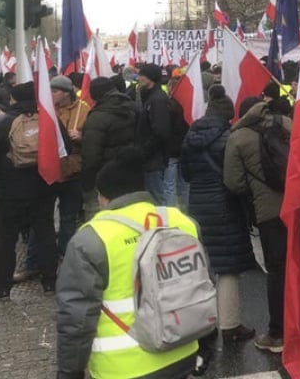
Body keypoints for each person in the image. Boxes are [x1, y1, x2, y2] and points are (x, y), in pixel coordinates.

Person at [55, 147, 205, 379]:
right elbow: (200, 284)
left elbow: (77, 317)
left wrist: (69, 371)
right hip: (183, 351)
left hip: (124, 367)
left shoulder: (92, 238)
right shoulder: (182, 222)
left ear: (104, 198)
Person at [180, 85, 256, 343]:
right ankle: (230, 324)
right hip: (225, 205)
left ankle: (203, 323)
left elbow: (185, 175)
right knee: (228, 268)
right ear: (228, 115)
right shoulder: (229, 138)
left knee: (204, 266)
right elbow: (235, 178)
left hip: (197, 205)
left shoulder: (190, 136)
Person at [0, 82, 58, 299]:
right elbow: (62, 149)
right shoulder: (48, 119)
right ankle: (50, 281)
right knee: (46, 235)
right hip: (42, 187)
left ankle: (2, 288)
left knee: (6, 240)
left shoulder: (2, 122)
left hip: (9, 191)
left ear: (12, 99)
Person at [223, 99, 292, 353]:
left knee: (277, 270)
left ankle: (277, 333)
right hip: (298, 205)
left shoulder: (238, 137)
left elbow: (233, 182)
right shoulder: (286, 123)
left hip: (268, 211)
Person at [79, 77, 137, 219]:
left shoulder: (97, 117)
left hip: (102, 174)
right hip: (127, 169)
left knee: (97, 213)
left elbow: (91, 154)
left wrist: (87, 180)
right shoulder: (130, 106)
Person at [51, 75, 91, 254]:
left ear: (67, 93)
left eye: (55, 91)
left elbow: (93, 137)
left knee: (68, 215)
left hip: (73, 169)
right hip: (50, 169)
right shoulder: (46, 108)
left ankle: (64, 251)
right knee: (43, 215)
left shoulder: (84, 109)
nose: (51, 94)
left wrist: (82, 137)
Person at [135, 64, 179, 208]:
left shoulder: (157, 99)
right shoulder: (151, 97)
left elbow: (160, 131)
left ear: (151, 78)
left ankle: (163, 227)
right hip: (151, 157)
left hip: (154, 158)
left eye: (143, 75)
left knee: (156, 199)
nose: (139, 78)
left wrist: (144, 151)